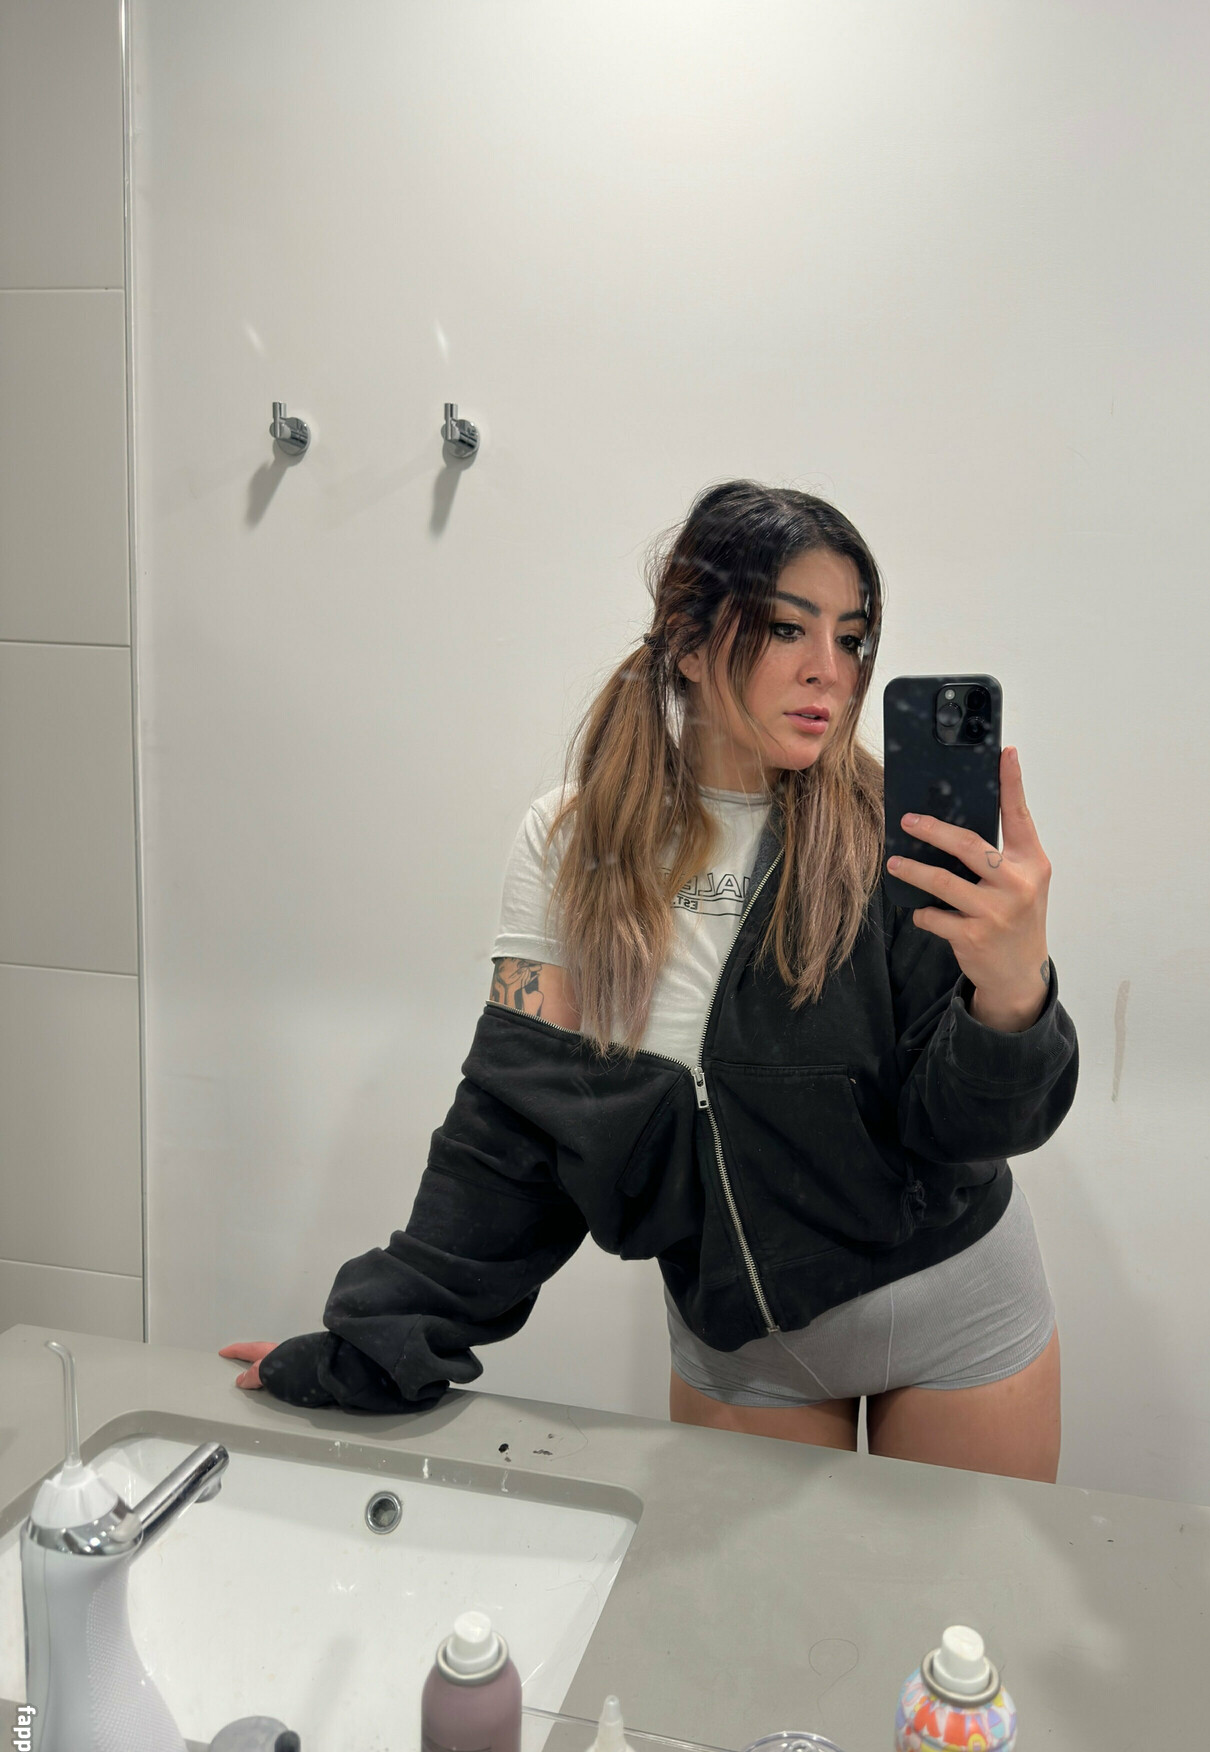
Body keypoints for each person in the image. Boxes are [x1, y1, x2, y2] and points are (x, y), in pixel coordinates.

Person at [222, 480, 1078, 1478]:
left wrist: (1011, 996)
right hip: (746, 1347)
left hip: (959, 1316)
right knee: (757, 1593)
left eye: (851, 638)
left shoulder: (890, 837)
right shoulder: (572, 845)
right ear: (689, 639)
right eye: (786, 627)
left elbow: (964, 1130)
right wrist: (375, 1345)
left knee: (959, 1587)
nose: (829, 670)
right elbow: (516, 1128)